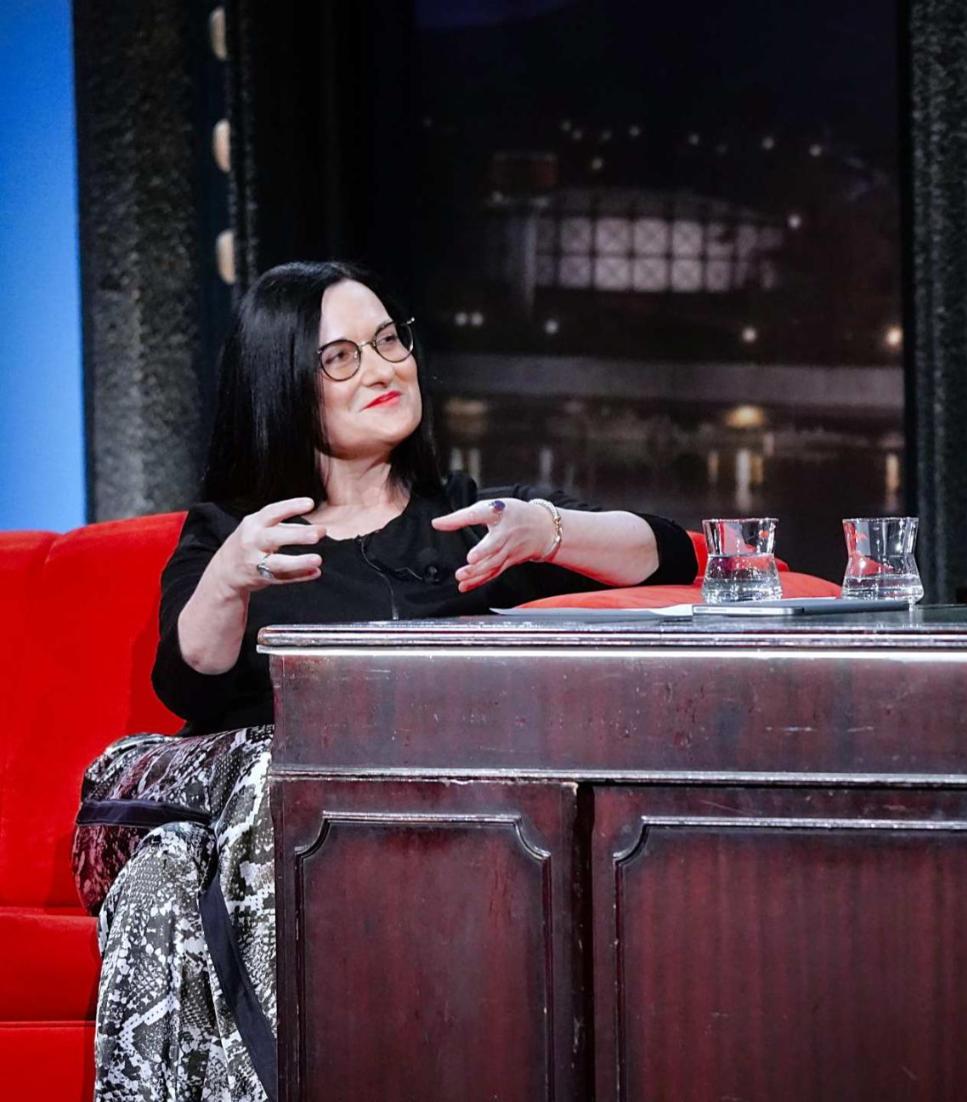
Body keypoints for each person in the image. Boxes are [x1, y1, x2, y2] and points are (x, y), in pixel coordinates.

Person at [82, 261, 697, 1100]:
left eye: (387, 341)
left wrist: (547, 531)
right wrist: (229, 577)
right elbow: (187, 685)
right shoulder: (241, 531)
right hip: (235, 802)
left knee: (179, 865)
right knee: (271, 772)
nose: (381, 368)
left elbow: (671, 552)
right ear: (283, 384)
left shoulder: (473, 525)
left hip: (383, 831)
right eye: (341, 357)